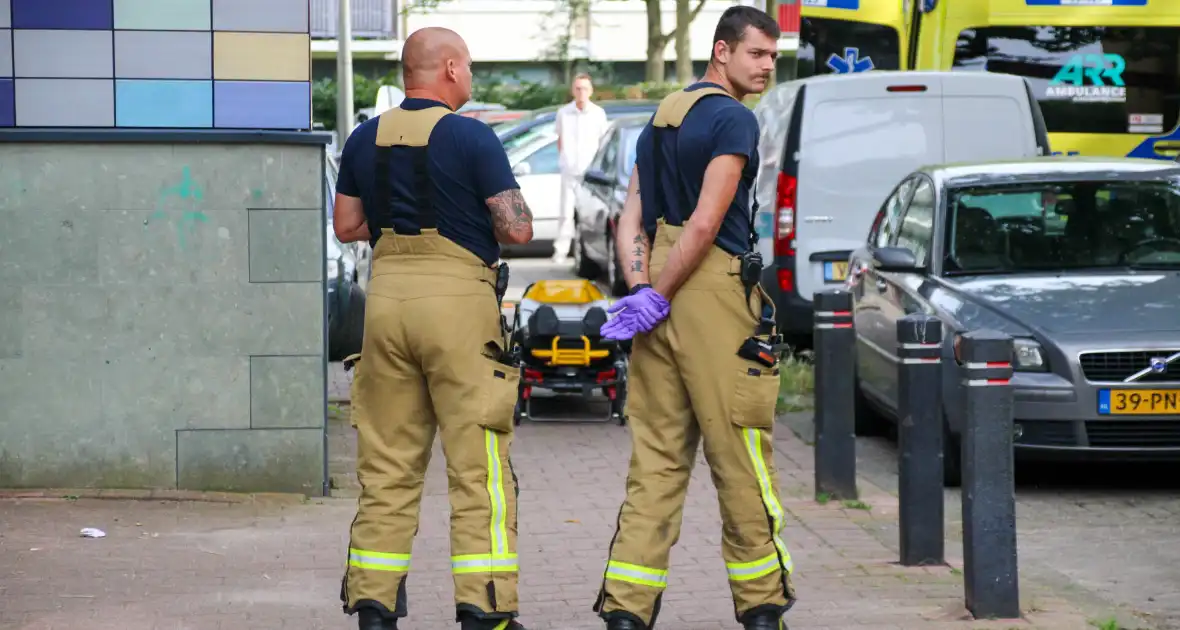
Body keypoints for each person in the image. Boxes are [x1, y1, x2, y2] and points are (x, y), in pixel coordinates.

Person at [590, 7, 795, 630]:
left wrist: (640, 291)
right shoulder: (733, 119)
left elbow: (630, 215)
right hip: (711, 293)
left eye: (772, 58)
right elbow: (706, 223)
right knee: (739, 454)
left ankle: (626, 611)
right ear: (721, 50)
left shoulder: (661, 117)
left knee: (655, 460)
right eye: (757, 54)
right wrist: (662, 290)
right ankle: (762, 610)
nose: (766, 67)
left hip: (658, 289)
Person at [331, 26, 534, 630]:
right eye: (468, 67)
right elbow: (518, 228)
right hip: (457, 310)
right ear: (449, 69)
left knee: (389, 463)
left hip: (386, 305)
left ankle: (374, 605)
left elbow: (346, 225)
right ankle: (485, 610)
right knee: (479, 468)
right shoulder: (471, 136)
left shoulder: (364, 137)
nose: (470, 78)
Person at [553, 72, 610, 264]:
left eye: (585, 88)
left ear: (591, 91)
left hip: (589, 174)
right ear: (572, 90)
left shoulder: (598, 114)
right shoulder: (563, 113)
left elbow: (603, 143)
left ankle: (585, 254)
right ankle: (561, 251)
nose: (581, 92)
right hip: (569, 171)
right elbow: (560, 140)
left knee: (588, 214)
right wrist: (565, 160)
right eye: (578, 88)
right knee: (565, 212)